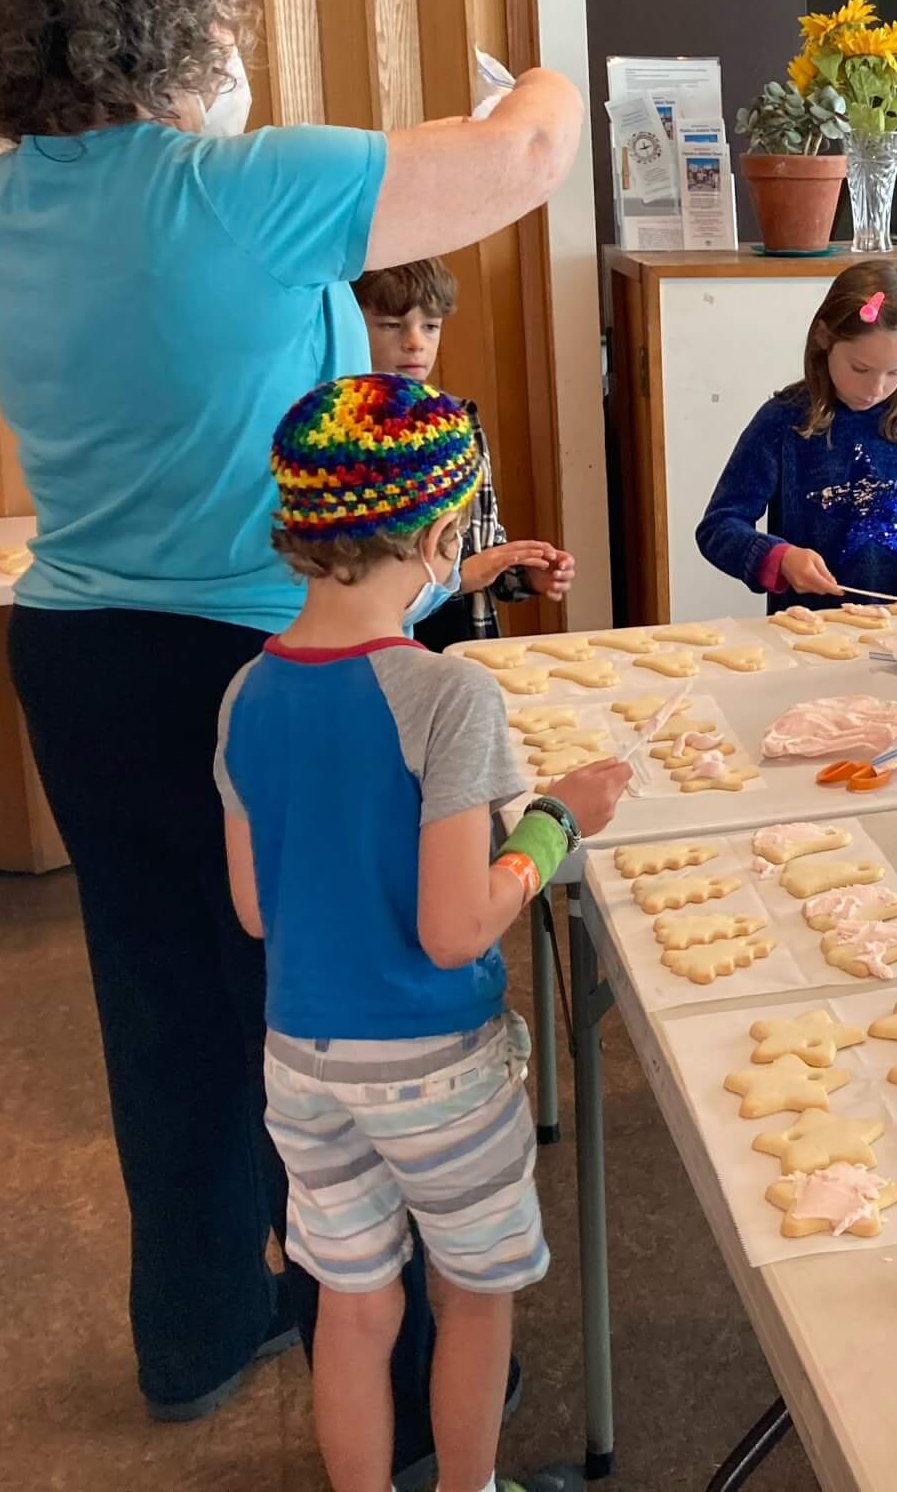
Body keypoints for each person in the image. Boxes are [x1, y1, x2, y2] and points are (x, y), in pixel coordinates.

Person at [0, 0, 581, 1459]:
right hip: (271, 654)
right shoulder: (233, 191)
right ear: (172, 26)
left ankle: (197, 1328)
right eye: (221, 11)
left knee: (160, 995)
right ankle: (413, 1377)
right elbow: (525, 157)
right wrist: (540, 79)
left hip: (80, 655)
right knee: (352, 999)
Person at [220, 375, 629, 1492]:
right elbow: (457, 929)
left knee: (354, 1306)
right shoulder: (447, 696)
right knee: (471, 1297)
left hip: (301, 1065)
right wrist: (555, 823)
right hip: (437, 1069)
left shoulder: (244, 693)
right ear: (446, 533)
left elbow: (258, 911)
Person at [697, 260, 897, 608]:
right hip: (810, 637)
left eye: (895, 372)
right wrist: (778, 558)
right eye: (860, 368)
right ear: (824, 337)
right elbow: (719, 526)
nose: (875, 388)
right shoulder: (783, 421)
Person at [354, 260, 575, 648]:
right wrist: (458, 578)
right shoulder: (341, 438)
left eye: (431, 326)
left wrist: (522, 573)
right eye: (391, 325)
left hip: (462, 641)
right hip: (382, 646)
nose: (414, 342)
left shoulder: (461, 420)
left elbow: (482, 550)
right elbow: (349, 572)